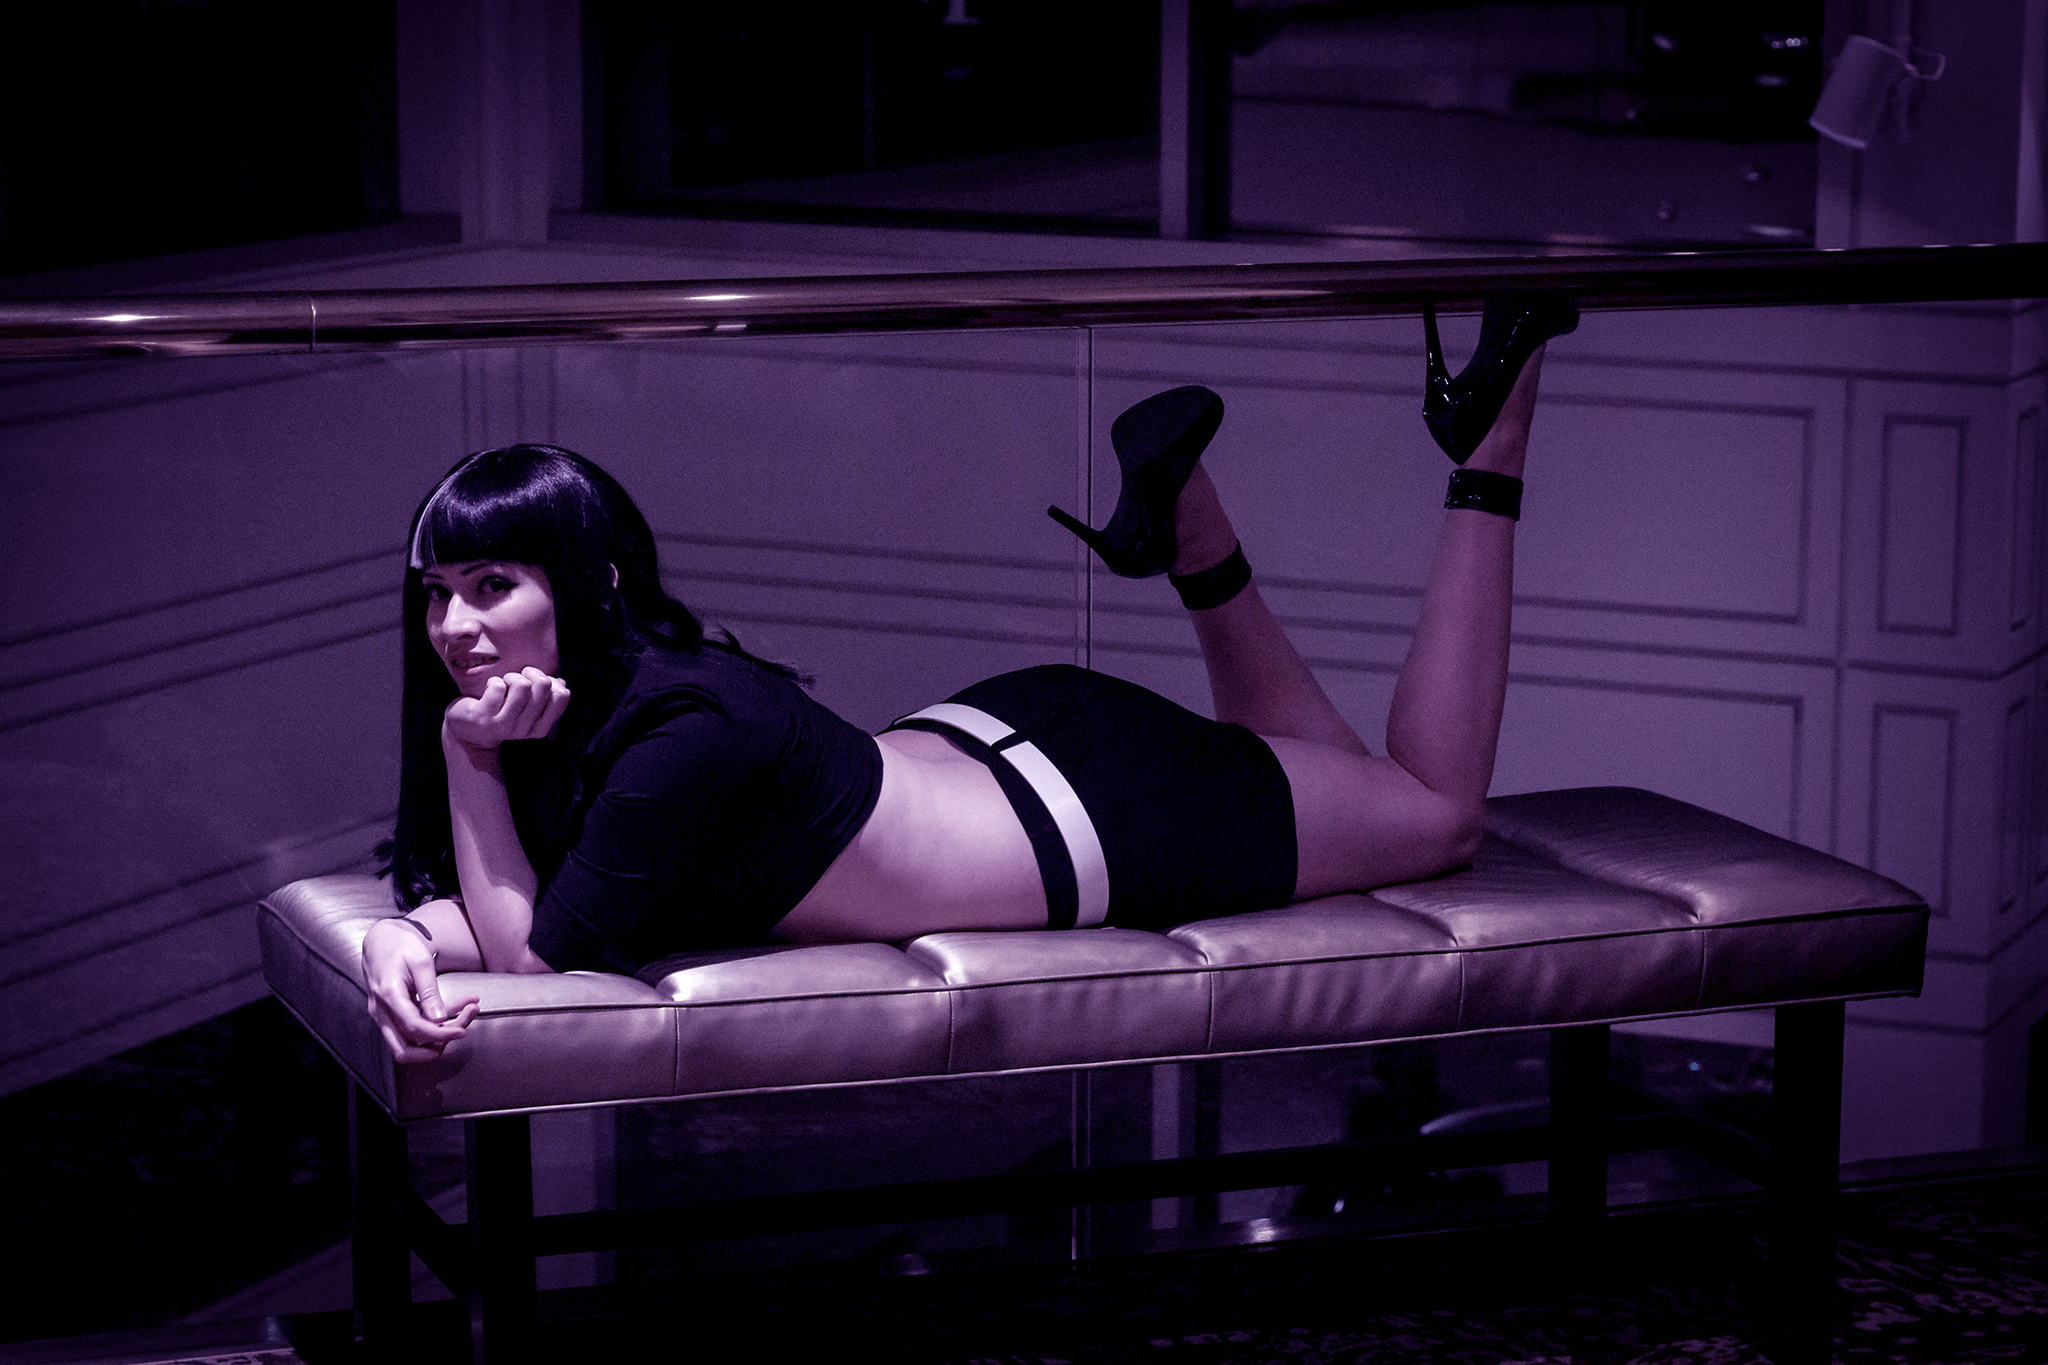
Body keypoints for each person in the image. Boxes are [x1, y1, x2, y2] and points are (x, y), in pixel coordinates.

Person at [362, 294, 1578, 1064]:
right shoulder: (579, 704)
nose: (457, 626)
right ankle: (1188, 529)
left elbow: (538, 968)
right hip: (1013, 747)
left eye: (492, 585)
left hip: (1097, 810)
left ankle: (1491, 445)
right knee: (1326, 780)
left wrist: (467, 761)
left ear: (593, 581)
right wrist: (396, 940)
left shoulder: (679, 722)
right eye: (438, 592)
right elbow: (526, 897)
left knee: (1435, 817)